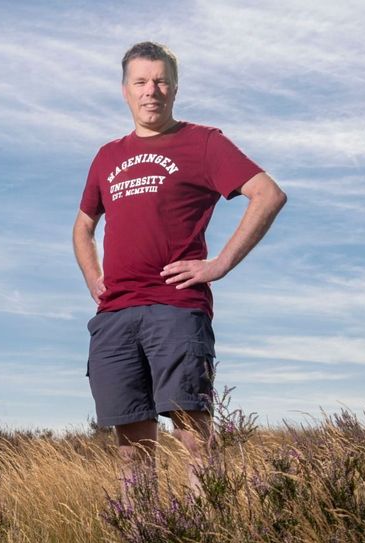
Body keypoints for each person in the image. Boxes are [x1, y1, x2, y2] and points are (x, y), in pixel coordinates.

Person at [73, 41, 287, 493]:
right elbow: (83, 225)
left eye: (161, 80)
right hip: (115, 315)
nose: (152, 90)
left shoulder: (203, 142)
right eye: (141, 81)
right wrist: (94, 276)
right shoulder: (107, 156)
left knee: (194, 437)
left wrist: (220, 264)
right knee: (131, 449)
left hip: (174, 306)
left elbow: (268, 193)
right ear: (125, 90)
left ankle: (206, 540)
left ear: (174, 87)